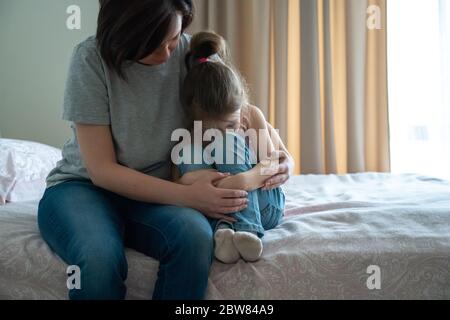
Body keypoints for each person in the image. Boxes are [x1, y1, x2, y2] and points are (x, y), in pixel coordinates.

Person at [37, 0, 293, 300]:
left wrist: (282, 157)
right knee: (99, 260)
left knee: (196, 237)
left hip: (156, 194)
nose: (169, 51)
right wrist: (186, 195)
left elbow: (237, 108)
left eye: (173, 38)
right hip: (84, 188)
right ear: (123, 36)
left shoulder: (192, 53)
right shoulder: (90, 59)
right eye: (156, 44)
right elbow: (102, 171)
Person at [173, 31, 292, 264]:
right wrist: (192, 183)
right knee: (187, 151)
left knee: (230, 142)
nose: (223, 132)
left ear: (240, 108)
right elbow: (175, 183)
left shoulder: (250, 116)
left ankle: (248, 231)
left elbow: (271, 168)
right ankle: (224, 234)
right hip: (216, 208)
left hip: (263, 203)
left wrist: (233, 182)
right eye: (212, 131)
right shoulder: (188, 133)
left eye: (230, 124)